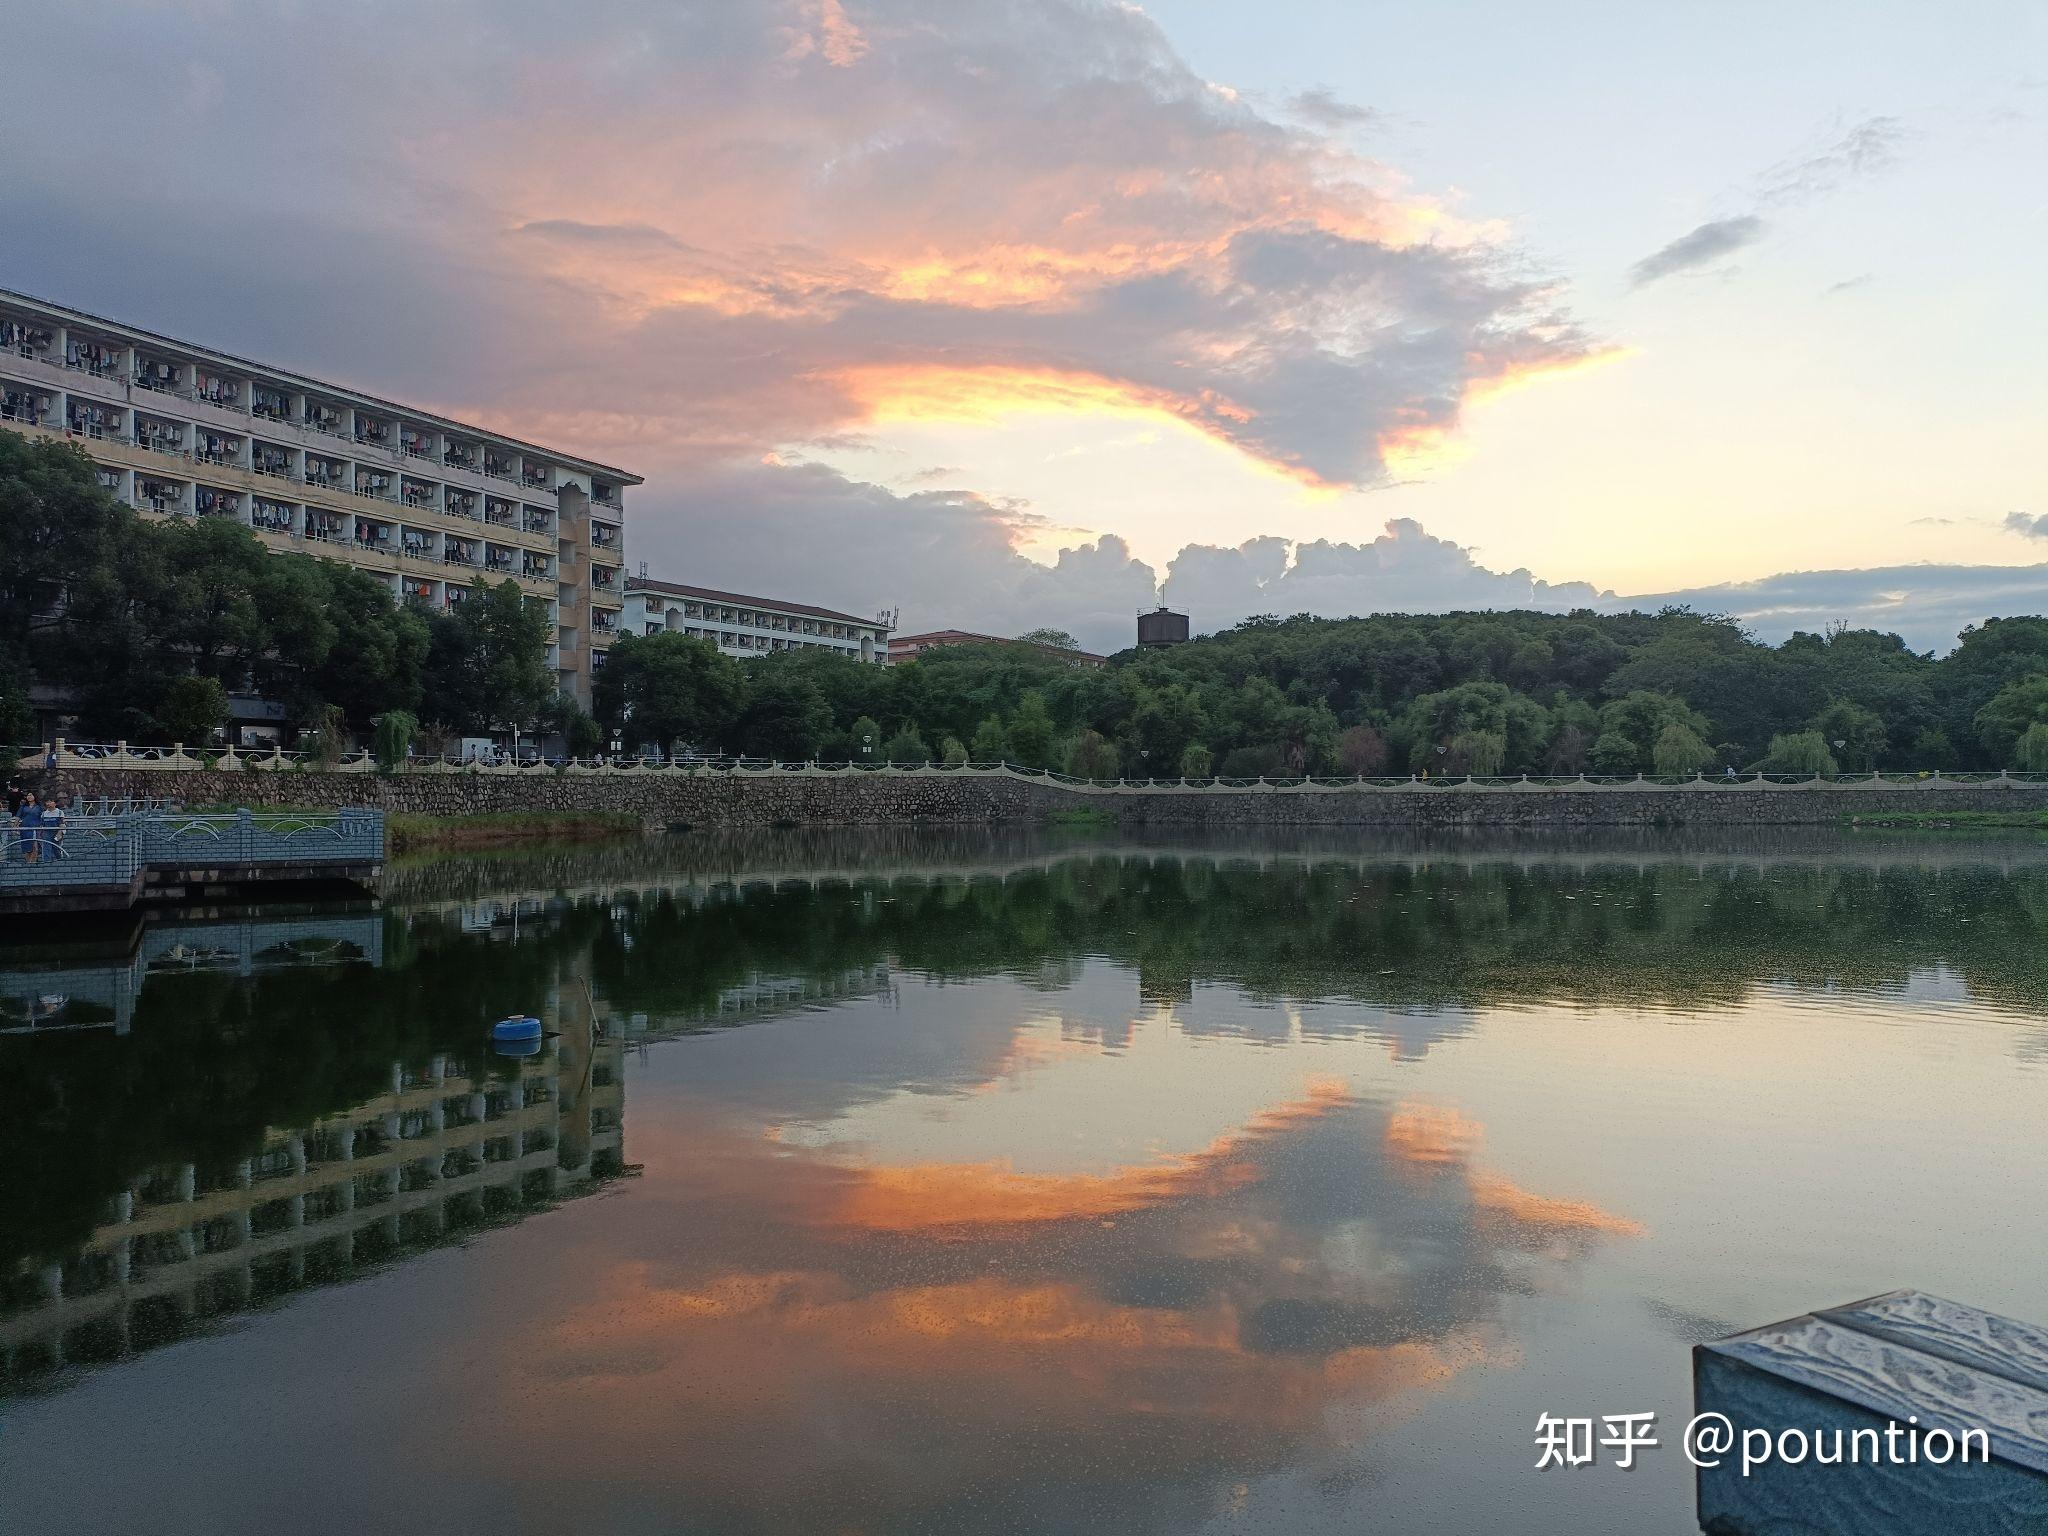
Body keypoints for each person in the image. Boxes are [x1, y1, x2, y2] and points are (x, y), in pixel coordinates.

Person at [38, 795, 64, 860]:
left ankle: (59, 860)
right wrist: (40, 834)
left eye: (50, 802)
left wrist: (59, 833)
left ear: (55, 803)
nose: (48, 803)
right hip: (46, 832)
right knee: (46, 847)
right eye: (47, 802)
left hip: (56, 832)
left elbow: (62, 824)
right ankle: (47, 862)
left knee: (56, 848)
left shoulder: (60, 812)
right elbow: (41, 825)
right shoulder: (44, 813)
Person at [17, 796, 40, 864]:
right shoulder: (23, 807)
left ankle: (33, 862)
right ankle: (28, 862)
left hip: (35, 828)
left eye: (31, 795)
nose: (29, 797)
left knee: (34, 846)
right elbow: (18, 816)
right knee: (26, 847)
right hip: (25, 829)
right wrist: (15, 826)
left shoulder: (38, 807)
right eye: (28, 795)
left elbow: (42, 816)